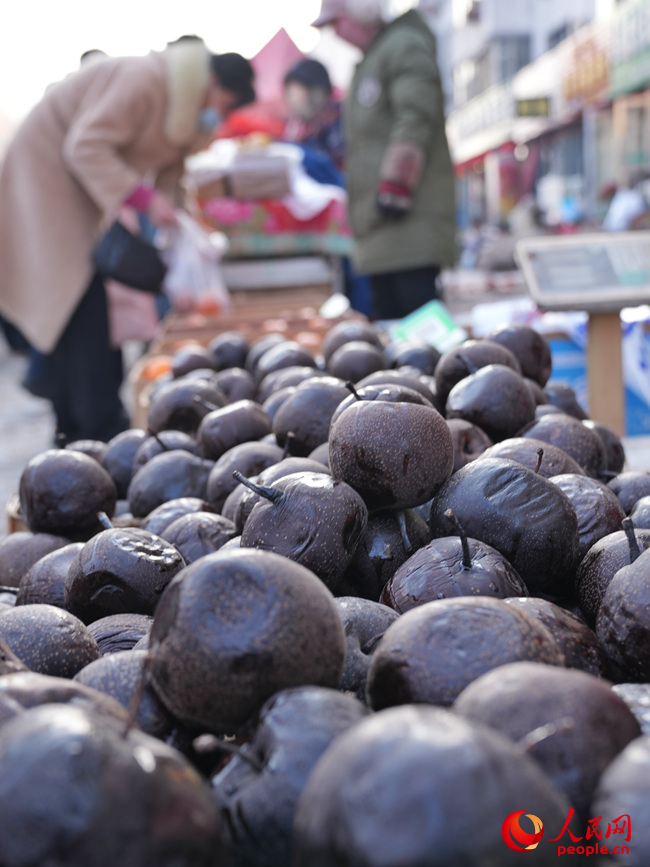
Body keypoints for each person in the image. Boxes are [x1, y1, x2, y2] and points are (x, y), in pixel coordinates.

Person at [0, 41, 254, 442]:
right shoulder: (145, 79)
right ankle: (93, 429)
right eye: (225, 105)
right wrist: (143, 199)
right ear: (214, 83)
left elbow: (170, 181)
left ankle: (78, 426)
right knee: (76, 303)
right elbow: (85, 146)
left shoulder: (183, 115)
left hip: (75, 192)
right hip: (44, 180)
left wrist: (182, 230)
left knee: (77, 309)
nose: (219, 117)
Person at [312, 0, 457, 320]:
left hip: (406, 221)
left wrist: (396, 184)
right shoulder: (374, 58)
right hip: (379, 227)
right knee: (394, 328)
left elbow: (417, 115)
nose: (336, 33)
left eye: (338, 22)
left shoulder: (402, 46)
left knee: (421, 325)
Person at [283, 58, 345, 171]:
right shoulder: (301, 125)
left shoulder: (337, 121)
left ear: (315, 91)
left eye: (292, 92)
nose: (288, 99)